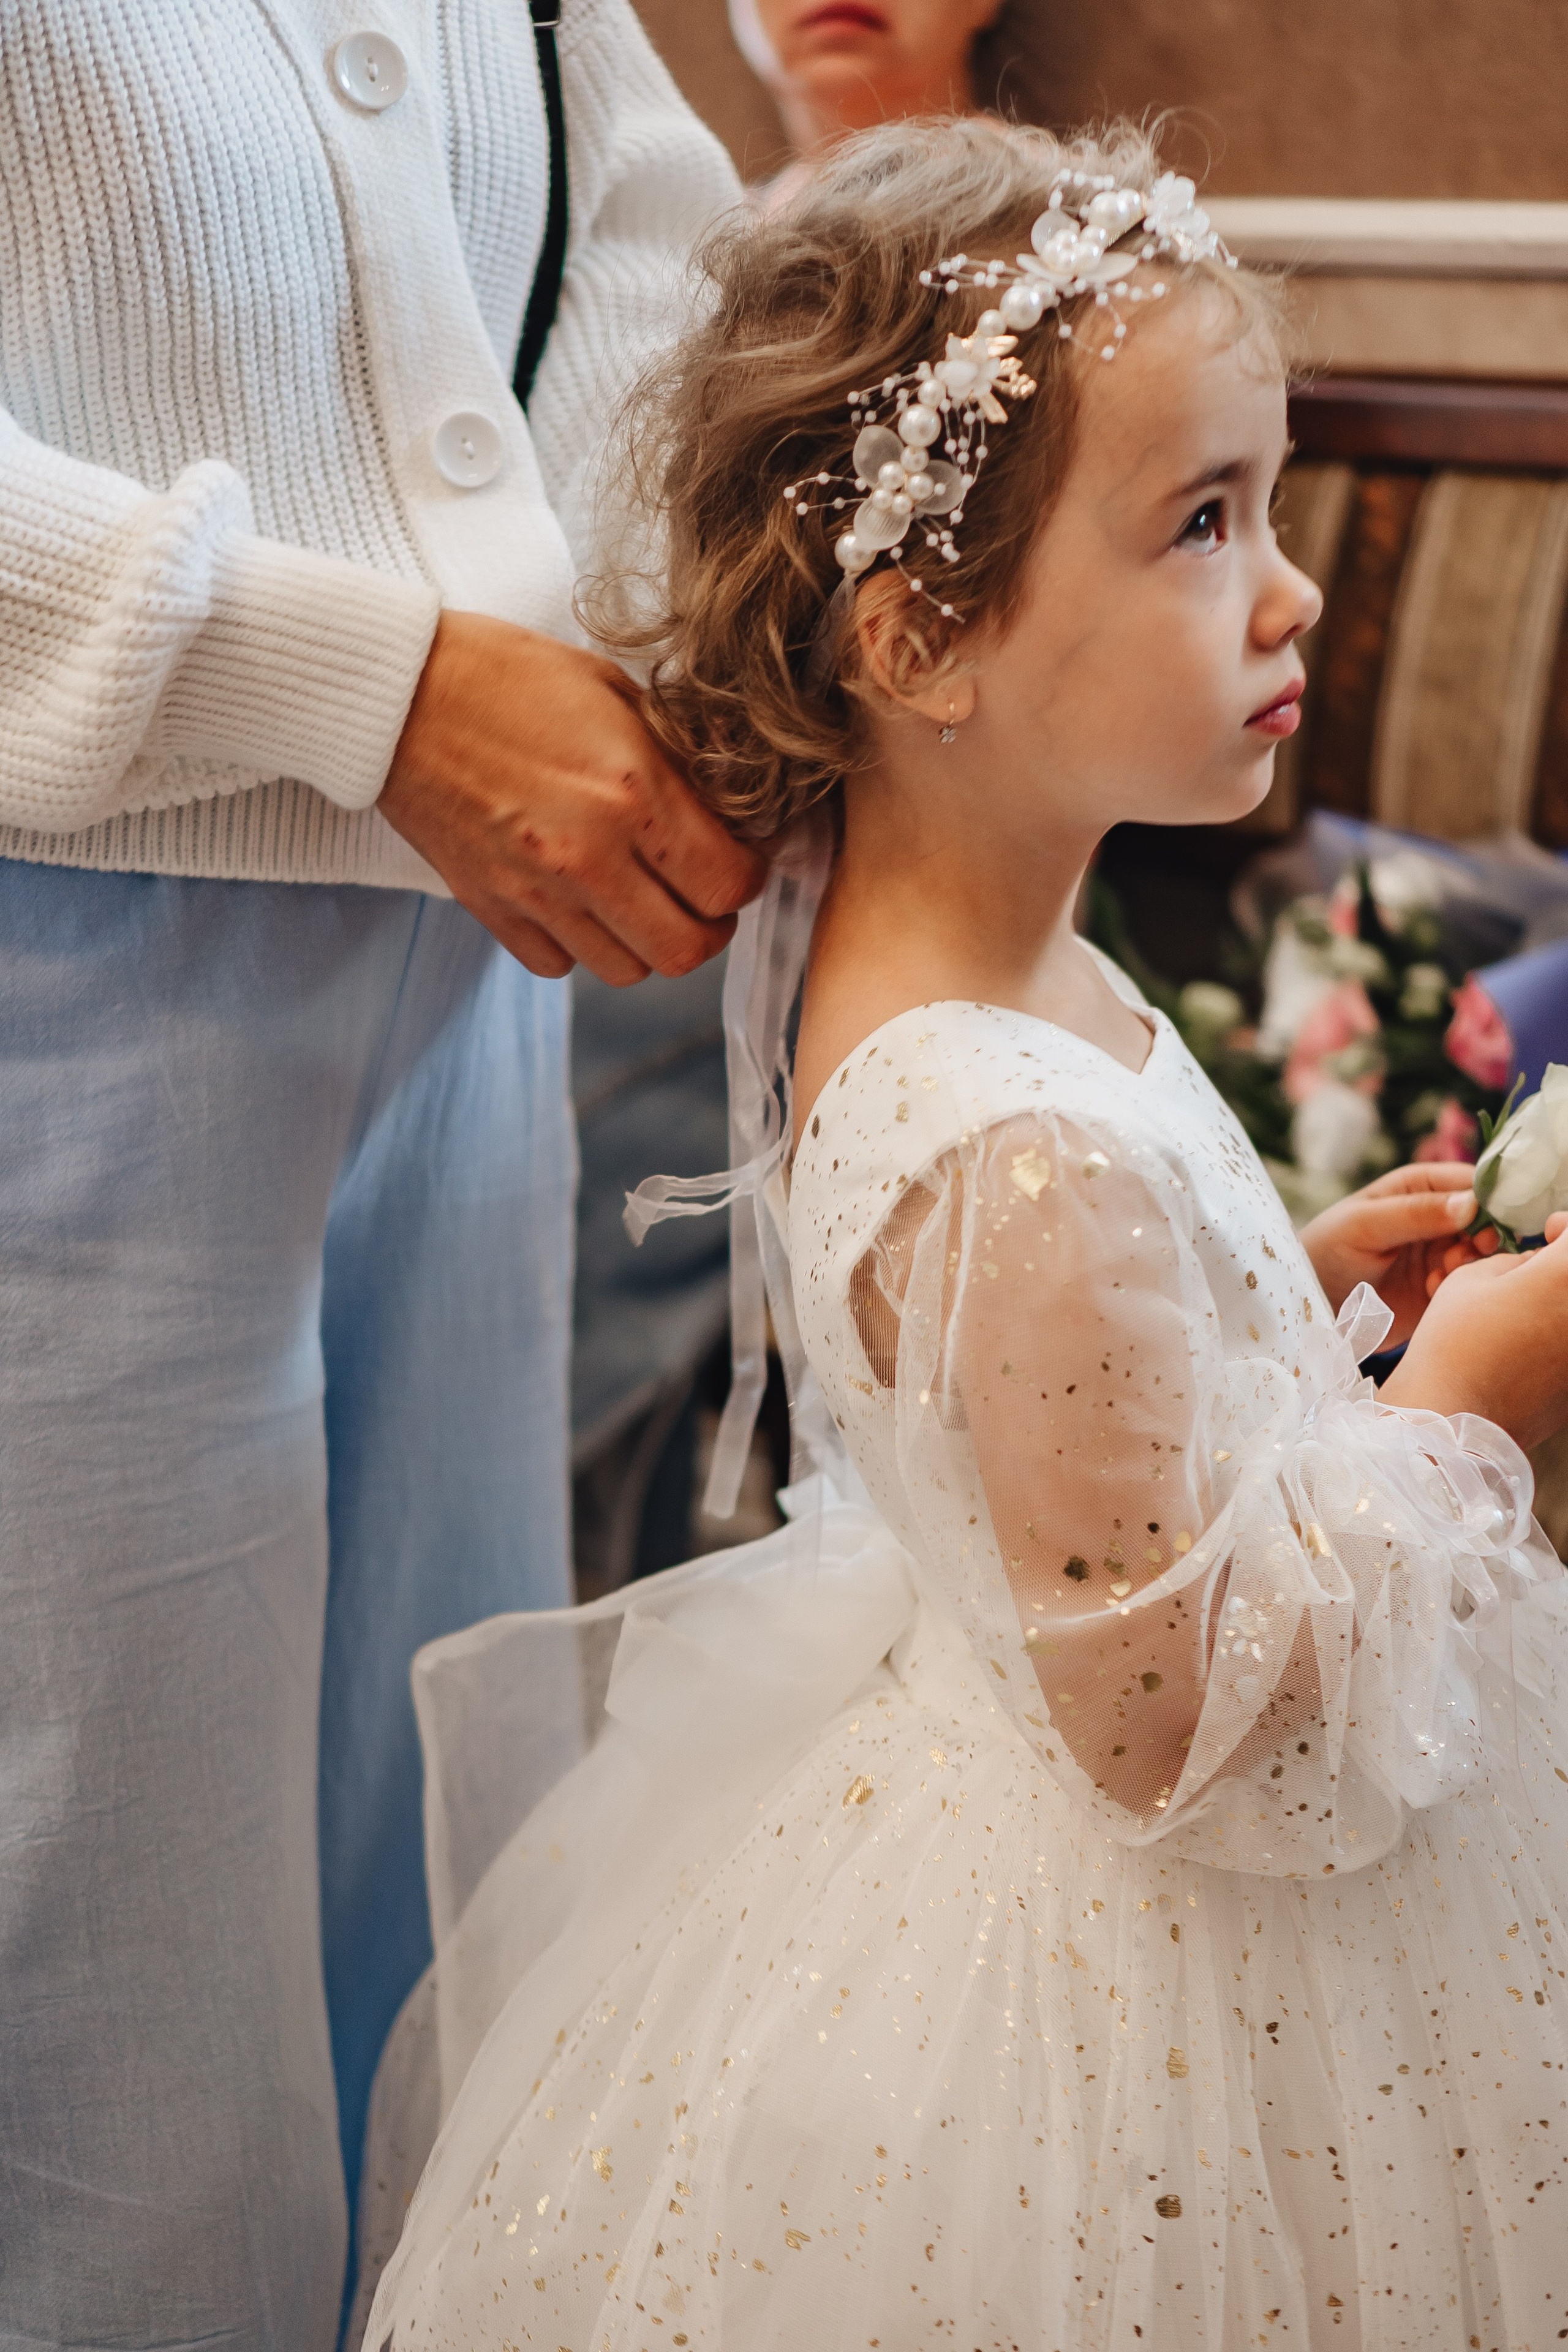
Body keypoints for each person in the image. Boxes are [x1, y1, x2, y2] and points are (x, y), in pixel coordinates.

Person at [366, 117, 1568, 2345]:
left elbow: (1034, 1430)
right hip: (1143, 2010)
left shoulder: (982, 968)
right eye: (1203, 522)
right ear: (926, 636)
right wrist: (1472, 1398)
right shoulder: (1003, 1137)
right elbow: (1177, 1722)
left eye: (1274, 505)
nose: (1291, 590)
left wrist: (1278, 1292)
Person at [0, 6, 760, 2344]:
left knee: (431, 1911)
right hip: (56, 968)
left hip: (459, 955)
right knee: (108, 2027)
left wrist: (564, 647)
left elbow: (659, 233)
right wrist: (368, 681)